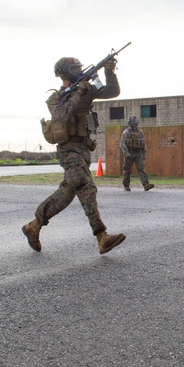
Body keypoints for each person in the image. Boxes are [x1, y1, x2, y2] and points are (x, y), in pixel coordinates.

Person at [23, 56, 126, 254]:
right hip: (68, 149)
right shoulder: (55, 98)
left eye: (80, 67)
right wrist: (78, 92)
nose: (79, 70)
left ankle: (33, 226)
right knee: (85, 184)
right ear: (65, 72)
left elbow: (113, 91)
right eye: (75, 68)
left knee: (67, 192)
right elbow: (61, 116)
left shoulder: (85, 90)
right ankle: (101, 236)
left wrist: (109, 71)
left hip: (84, 149)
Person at [120, 116, 155, 192]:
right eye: (132, 122)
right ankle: (126, 185)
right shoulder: (126, 132)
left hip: (138, 153)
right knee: (127, 170)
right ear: (129, 123)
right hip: (129, 152)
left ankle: (146, 184)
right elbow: (123, 144)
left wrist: (143, 154)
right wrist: (126, 154)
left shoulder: (140, 132)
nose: (134, 124)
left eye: (135, 122)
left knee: (141, 169)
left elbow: (143, 144)